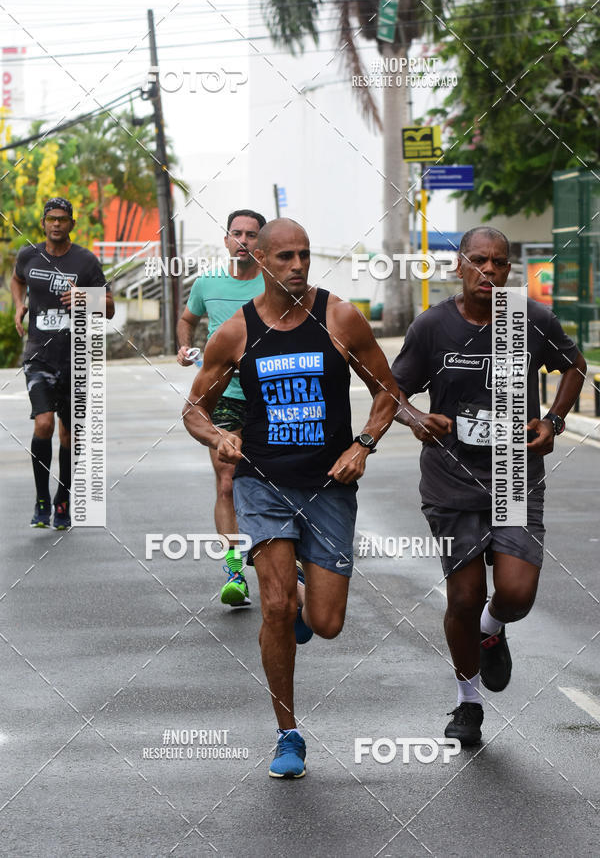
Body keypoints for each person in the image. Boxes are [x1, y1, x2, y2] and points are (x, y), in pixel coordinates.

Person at [183, 218, 399, 778]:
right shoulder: (236, 331)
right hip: (262, 482)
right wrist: (217, 436)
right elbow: (194, 409)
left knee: (326, 623)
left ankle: (304, 602)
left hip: (329, 486)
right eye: (285, 256)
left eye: (304, 254)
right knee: (275, 605)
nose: (298, 265)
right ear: (259, 259)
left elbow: (387, 391)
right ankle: (288, 733)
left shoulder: (339, 317)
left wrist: (363, 444)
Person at [392, 226, 586, 746]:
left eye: (499, 262)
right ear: (459, 265)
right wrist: (416, 418)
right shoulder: (433, 326)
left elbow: (574, 365)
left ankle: (492, 629)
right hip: (451, 479)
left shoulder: (529, 319)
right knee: (464, 596)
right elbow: (392, 389)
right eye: (478, 261)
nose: (489, 271)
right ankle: (468, 702)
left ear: (509, 269)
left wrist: (554, 420)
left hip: (514, 473)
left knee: (516, 594)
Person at [177, 209, 266, 607]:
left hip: (270, 395)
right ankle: (234, 571)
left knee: (272, 480)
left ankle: (282, 556)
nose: (243, 240)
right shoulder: (207, 282)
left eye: (251, 234)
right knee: (227, 480)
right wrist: (184, 346)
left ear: (262, 242)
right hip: (224, 392)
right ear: (226, 240)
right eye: (236, 233)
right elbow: (187, 319)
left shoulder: (276, 283)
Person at [10, 197, 114, 529]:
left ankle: (63, 500)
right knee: (44, 424)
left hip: (75, 357)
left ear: (72, 224)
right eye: (51, 218)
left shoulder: (86, 261)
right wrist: (19, 304)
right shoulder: (29, 255)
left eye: (62, 219)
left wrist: (86, 297)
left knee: (70, 434)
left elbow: (109, 308)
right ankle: (42, 499)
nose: (56, 224)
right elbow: (18, 279)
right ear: (43, 223)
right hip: (38, 356)